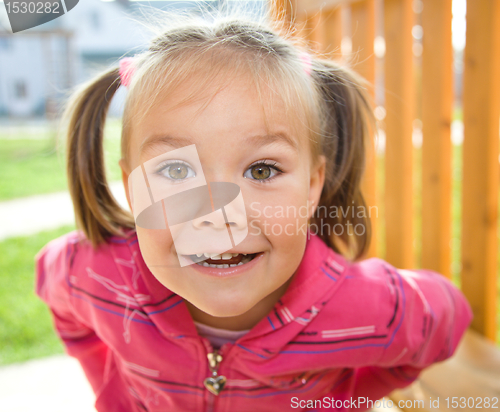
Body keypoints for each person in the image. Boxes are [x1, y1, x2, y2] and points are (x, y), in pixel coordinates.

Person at [35, 9, 472, 412]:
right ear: (133, 189)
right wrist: (113, 393)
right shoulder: (92, 272)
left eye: (262, 170)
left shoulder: (366, 306)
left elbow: (446, 320)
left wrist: (342, 400)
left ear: (312, 187)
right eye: (175, 169)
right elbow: (59, 298)